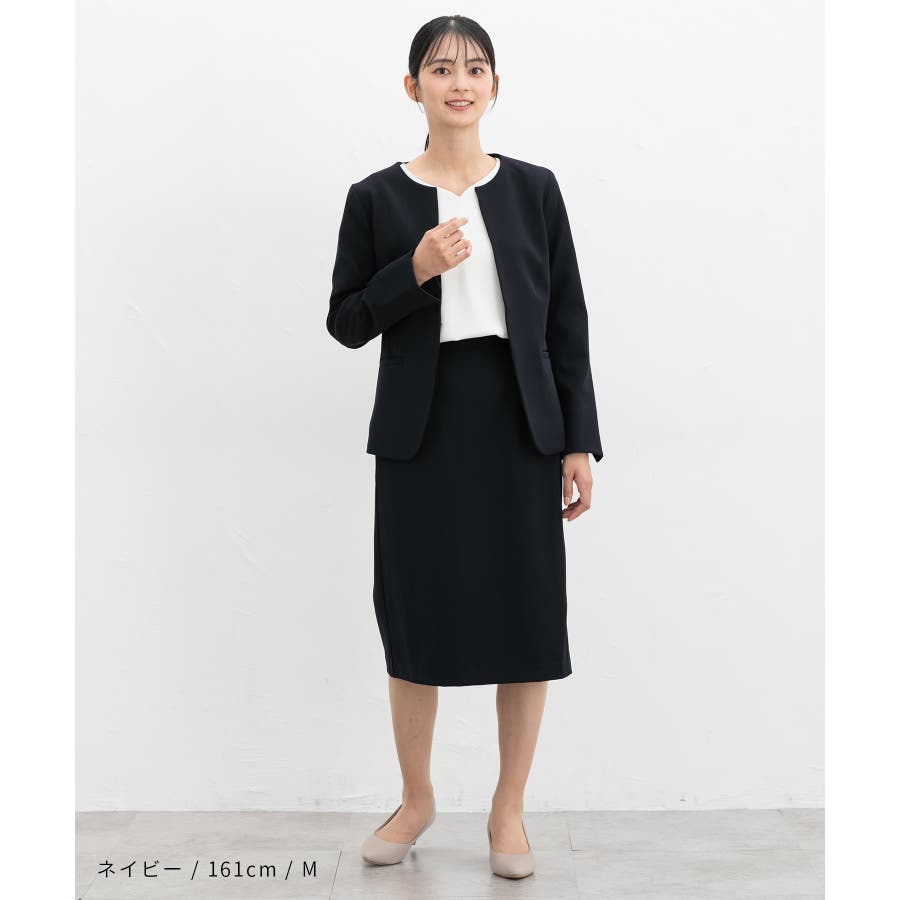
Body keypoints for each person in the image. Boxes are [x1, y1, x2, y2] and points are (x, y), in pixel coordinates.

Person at [325, 15, 604, 880]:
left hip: (519, 424)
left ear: (495, 86)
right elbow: (345, 321)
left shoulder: (534, 190)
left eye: (475, 68)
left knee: (527, 616)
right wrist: (411, 271)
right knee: (416, 616)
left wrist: (577, 441)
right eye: (441, 69)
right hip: (423, 429)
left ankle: (508, 809)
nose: (460, 82)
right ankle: (416, 799)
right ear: (413, 87)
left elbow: (566, 322)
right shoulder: (376, 198)